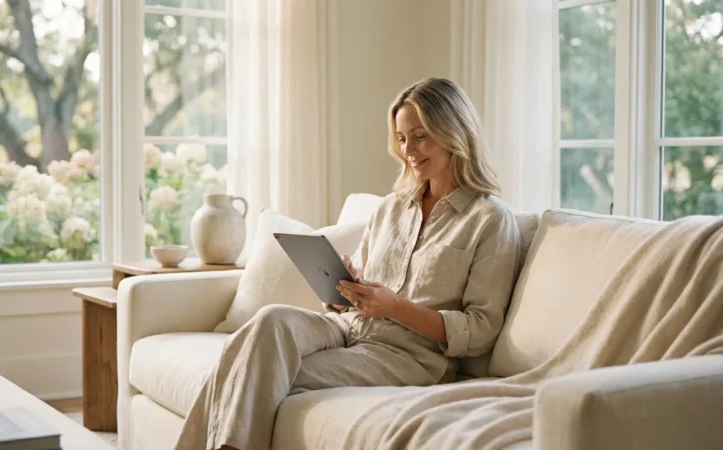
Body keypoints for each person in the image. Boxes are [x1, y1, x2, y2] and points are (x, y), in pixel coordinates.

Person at [173, 77, 522, 450]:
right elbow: (358, 292)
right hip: (346, 326)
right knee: (270, 319)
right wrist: (344, 287)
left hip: (407, 356)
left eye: (420, 137)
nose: (409, 150)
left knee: (251, 369)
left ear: (453, 132)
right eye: (402, 138)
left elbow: (481, 329)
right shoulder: (391, 208)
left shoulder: (489, 219)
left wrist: (395, 307)